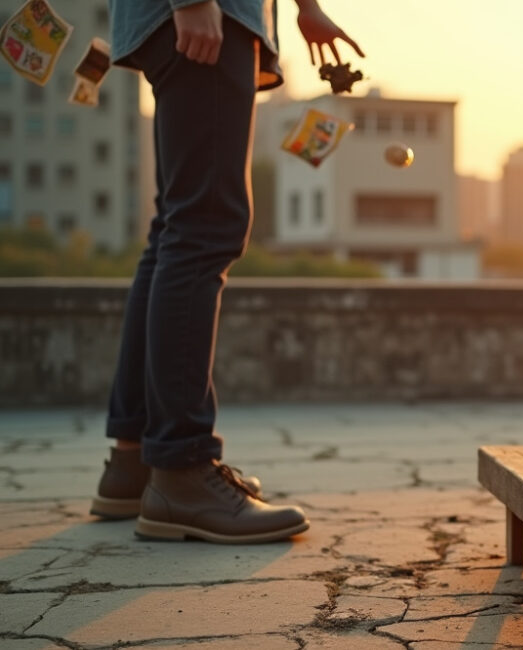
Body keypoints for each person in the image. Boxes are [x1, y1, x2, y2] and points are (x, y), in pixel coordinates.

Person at [90, 0, 364, 543]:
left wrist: (305, 7)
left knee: (176, 227)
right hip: (203, 14)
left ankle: (136, 462)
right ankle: (181, 468)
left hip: (196, 18)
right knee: (205, 225)